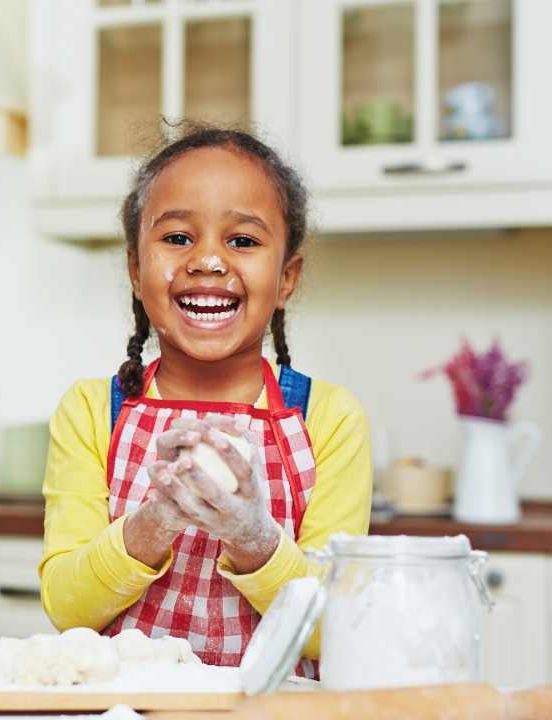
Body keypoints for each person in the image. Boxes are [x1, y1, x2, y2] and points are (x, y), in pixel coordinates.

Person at [37, 124, 371, 675]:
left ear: (287, 277)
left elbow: (331, 629)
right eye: (177, 238)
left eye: (242, 241)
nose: (209, 261)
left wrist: (252, 536)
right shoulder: (93, 412)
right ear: (134, 270)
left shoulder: (329, 420)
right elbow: (67, 607)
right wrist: (156, 521)